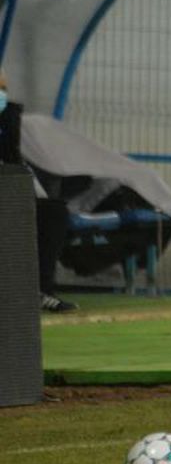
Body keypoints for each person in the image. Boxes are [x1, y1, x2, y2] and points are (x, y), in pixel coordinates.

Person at [0, 71, 77, 313]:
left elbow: (12, 161)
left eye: (3, 89)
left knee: (52, 212)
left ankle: (41, 290)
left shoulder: (7, 120)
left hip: (6, 192)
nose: (2, 94)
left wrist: (9, 117)